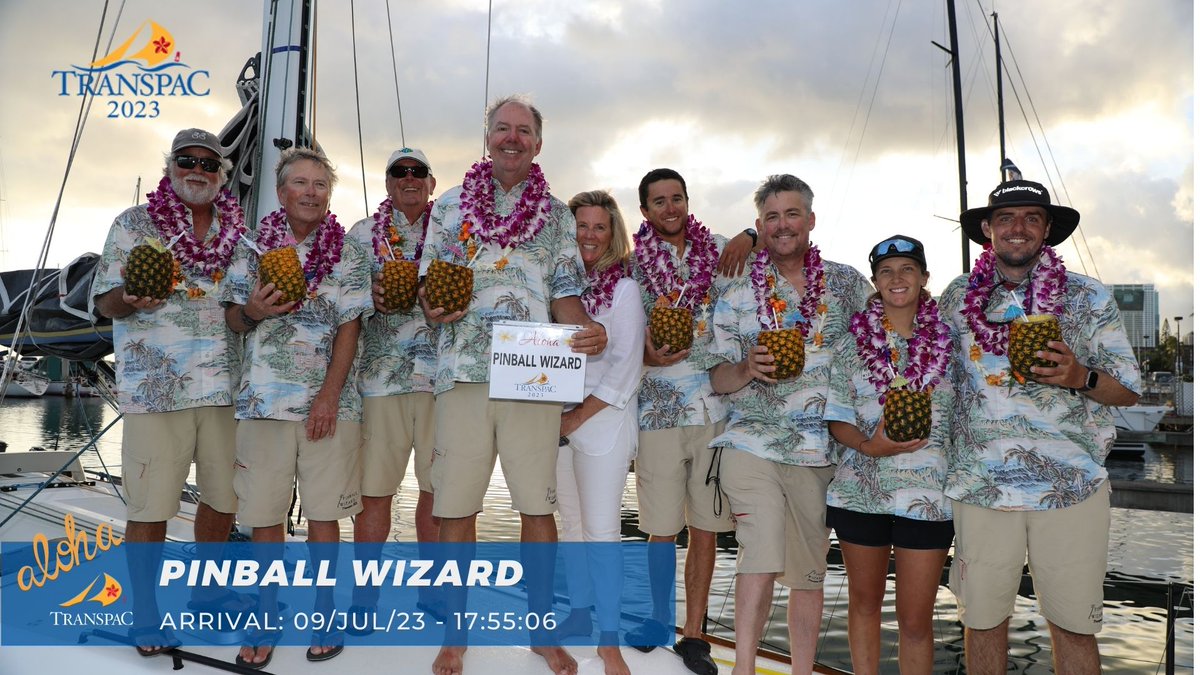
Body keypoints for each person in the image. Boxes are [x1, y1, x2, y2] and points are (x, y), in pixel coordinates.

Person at [417, 94, 606, 675]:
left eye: (523, 131)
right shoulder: (449, 207)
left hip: (535, 377)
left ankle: (542, 633)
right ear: (487, 137)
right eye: (503, 128)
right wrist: (434, 306)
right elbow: (428, 288)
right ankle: (455, 636)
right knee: (455, 511)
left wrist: (587, 329)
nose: (512, 138)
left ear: (538, 144)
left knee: (537, 508)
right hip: (464, 373)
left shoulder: (554, 216)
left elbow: (565, 294)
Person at [941, 179, 1139, 674]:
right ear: (987, 230)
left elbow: (1129, 389)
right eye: (1005, 218)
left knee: (1073, 625)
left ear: (1047, 229)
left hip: (1071, 487)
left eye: (1032, 217)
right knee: (983, 622)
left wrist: (1080, 376)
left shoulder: (1088, 296)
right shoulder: (958, 296)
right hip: (980, 486)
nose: (1018, 228)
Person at [92, 127, 248, 656]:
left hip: (225, 387)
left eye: (209, 162)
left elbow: (241, 309)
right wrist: (130, 297)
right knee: (151, 505)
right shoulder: (133, 224)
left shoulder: (238, 231)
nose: (197, 169)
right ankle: (145, 614)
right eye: (187, 160)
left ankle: (206, 594)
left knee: (223, 499)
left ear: (221, 174)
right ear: (171, 166)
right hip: (156, 389)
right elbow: (104, 301)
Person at [707, 174, 871, 675]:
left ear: (810, 220)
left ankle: (801, 671)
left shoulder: (846, 285)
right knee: (758, 549)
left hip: (820, 451)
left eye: (792, 214)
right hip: (750, 441)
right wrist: (745, 369)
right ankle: (743, 668)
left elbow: (885, 344)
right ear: (759, 226)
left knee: (808, 570)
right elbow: (715, 376)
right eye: (772, 217)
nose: (783, 226)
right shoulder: (737, 287)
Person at [222, 147, 372, 669]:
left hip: (330, 404)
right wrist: (251, 310)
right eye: (300, 183)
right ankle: (266, 614)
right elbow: (233, 321)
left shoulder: (349, 253)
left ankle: (325, 611)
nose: (311, 192)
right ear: (282, 192)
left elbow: (351, 328)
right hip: (262, 400)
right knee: (264, 516)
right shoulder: (248, 247)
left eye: (320, 184)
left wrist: (330, 394)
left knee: (325, 514)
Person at [626, 167, 744, 675]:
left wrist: (754, 232)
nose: (669, 208)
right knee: (658, 529)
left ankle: (693, 635)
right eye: (659, 201)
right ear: (645, 211)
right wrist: (643, 353)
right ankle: (656, 622)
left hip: (714, 412)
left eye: (677, 198)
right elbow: (618, 334)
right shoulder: (631, 268)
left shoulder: (720, 249)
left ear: (687, 202)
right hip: (655, 412)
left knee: (705, 527)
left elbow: (777, 252)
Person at [823, 235, 955, 674]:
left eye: (907, 270)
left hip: (929, 497)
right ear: (875, 282)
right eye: (886, 272)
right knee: (864, 605)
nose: (897, 279)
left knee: (916, 620)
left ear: (923, 277)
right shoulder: (850, 345)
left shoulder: (951, 343)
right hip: (861, 491)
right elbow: (837, 417)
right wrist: (867, 445)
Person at [345, 146, 441, 623]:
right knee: (374, 493)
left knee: (438, 492)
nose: (408, 179)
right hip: (380, 383)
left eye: (417, 172)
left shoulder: (453, 231)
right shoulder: (362, 235)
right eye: (398, 172)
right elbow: (341, 301)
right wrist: (372, 295)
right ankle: (364, 597)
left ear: (431, 182)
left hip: (440, 381)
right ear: (386, 183)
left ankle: (434, 592)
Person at [554, 190, 645, 675]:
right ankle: (578, 612)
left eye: (598, 227)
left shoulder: (625, 290)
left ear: (613, 235)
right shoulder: (559, 288)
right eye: (580, 226)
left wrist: (575, 418)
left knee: (603, 532)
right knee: (571, 526)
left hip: (603, 421)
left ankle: (609, 643)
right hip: (558, 421)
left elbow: (626, 368)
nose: (588, 236)